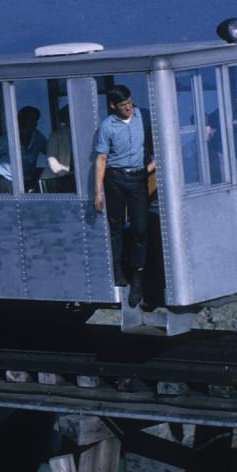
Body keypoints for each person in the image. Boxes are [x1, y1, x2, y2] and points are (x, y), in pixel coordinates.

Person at [93, 85, 155, 308]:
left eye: (130, 103)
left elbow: (158, 139)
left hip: (138, 177)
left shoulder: (143, 116)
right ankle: (118, 269)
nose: (128, 108)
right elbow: (101, 158)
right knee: (116, 225)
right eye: (123, 105)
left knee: (140, 228)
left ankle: (138, 277)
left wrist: (152, 165)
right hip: (115, 178)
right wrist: (97, 191)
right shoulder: (107, 126)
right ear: (113, 106)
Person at [40, 106, 73, 186]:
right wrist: (67, 174)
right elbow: (52, 161)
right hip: (53, 180)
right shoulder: (56, 136)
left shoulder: (82, 135)